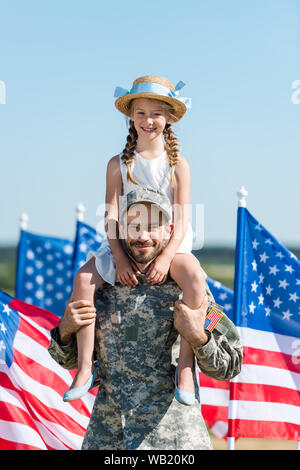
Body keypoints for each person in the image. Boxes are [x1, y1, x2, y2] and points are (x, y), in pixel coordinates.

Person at [48, 188, 243, 450]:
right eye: (133, 226)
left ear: (168, 230)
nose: (143, 236)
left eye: (153, 226)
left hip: (174, 441)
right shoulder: (100, 282)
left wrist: (198, 336)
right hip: (109, 438)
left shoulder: (188, 286)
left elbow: (230, 365)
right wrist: (65, 330)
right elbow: (69, 362)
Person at [62, 75, 208, 405]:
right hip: (125, 242)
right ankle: (85, 366)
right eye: (140, 113)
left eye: (156, 113)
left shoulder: (177, 166)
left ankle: (185, 367)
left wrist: (167, 257)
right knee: (84, 279)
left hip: (169, 241)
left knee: (196, 280)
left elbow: (182, 219)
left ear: (169, 118)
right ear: (131, 117)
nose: (148, 120)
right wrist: (120, 257)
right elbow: (111, 216)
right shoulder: (118, 164)